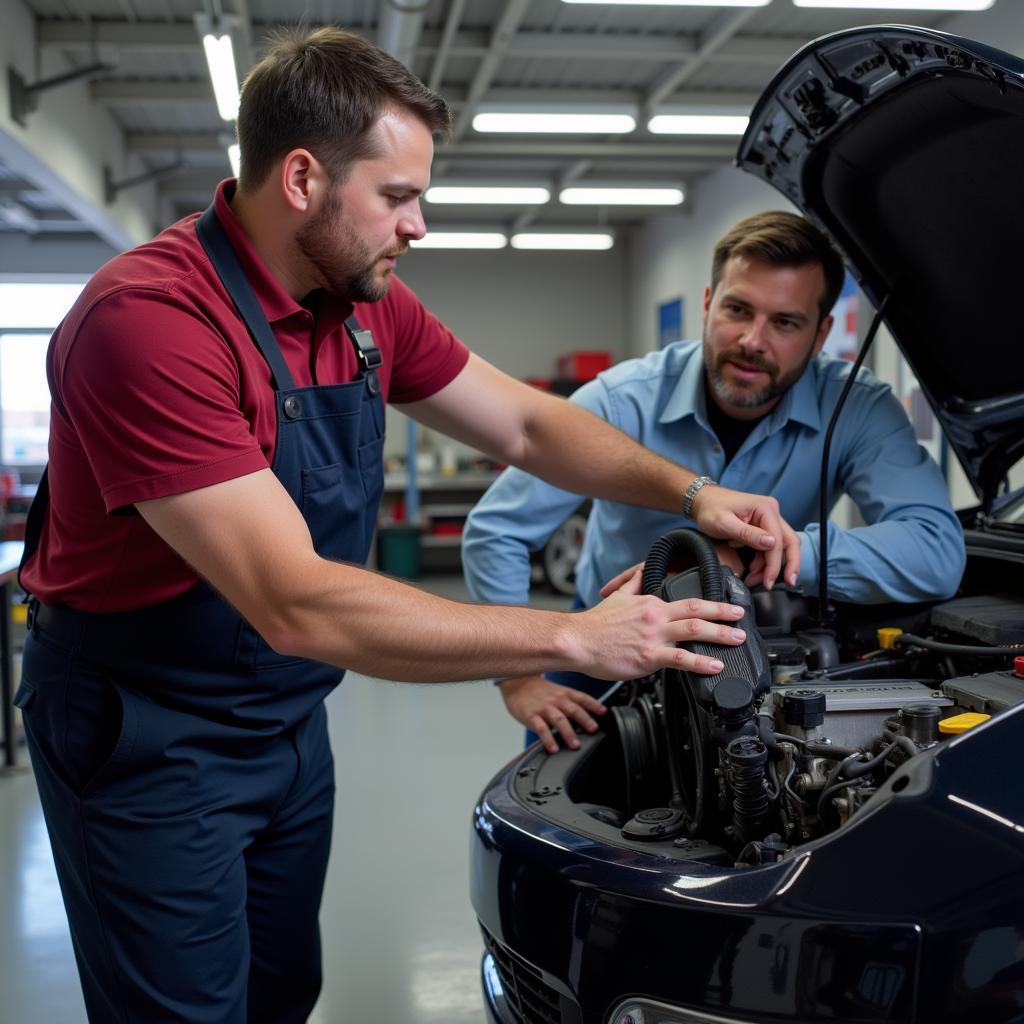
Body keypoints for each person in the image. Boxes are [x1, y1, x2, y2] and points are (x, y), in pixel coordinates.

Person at [11, 28, 804, 1024]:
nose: (418, 225)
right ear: (301, 177)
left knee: (278, 992)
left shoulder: (359, 305)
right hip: (147, 728)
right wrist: (570, 633)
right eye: (397, 197)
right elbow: (296, 602)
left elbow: (522, 420)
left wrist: (693, 495)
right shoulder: (151, 323)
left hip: (286, 721)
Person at [463, 210, 966, 752]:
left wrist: (776, 553)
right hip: (606, 663)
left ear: (821, 334)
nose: (753, 340)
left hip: (755, 653)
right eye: (738, 309)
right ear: (707, 304)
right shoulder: (621, 399)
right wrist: (517, 677)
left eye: (785, 322)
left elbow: (935, 550)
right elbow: (498, 530)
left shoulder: (857, 408)